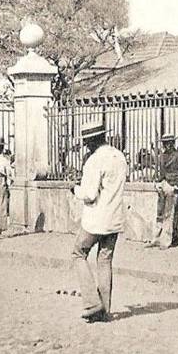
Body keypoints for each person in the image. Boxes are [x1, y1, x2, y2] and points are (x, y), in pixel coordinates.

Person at [70, 120, 128, 323]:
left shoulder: (94, 161)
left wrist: (75, 190)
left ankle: (92, 302)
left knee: (78, 253)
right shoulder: (119, 156)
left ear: (91, 141)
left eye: (87, 142)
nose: (86, 146)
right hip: (114, 218)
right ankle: (105, 309)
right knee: (104, 261)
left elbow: (89, 194)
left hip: (96, 219)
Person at [146, 133, 178, 249]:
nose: (166, 145)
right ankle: (156, 238)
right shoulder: (162, 156)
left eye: (168, 143)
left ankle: (166, 240)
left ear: (173, 143)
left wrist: (177, 186)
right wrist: (158, 183)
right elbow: (161, 173)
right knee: (159, 213)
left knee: (169, 214)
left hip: (173, 187)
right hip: (164, 185)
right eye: (164, 143)